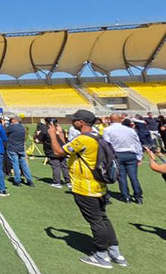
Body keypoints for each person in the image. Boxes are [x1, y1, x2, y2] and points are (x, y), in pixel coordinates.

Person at [48, 109, 126, 268]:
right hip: (98, 185)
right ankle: (115, 251)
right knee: (103, 218)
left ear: (81, 122)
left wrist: (51, 135)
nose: (72, 122)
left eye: (74, 120)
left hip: (85, 186)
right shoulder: (96, 136)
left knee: (95, 220)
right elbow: (71, 150)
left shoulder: (83, 139)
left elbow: (58, 152)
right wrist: (61, 137)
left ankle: (101, 254)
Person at [102, 114, 143, 204]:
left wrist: (108, 158)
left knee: (121, 177)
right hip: (131, 154)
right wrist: (139, 156)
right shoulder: (130, 130)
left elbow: (107, 145)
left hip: (117, 154)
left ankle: (126, 196)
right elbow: (137, 143)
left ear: (110, 120)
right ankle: (138, 197)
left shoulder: (107, 130)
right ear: (120, 120)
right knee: (134, 177)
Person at [35, 119, 72, 189]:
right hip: (62, 150)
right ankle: (68, 182)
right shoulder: (60, 129)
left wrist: (37, 135)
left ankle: (57, 182)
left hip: (52, 151)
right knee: (64, 167)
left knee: (56, 167)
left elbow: (38, 140)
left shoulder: (46, 130)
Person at [5, 117, 34, 187]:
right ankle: (30, 180)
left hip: (12, 148)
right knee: (24, 165)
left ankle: (17, 180)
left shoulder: (12, 127)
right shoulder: (22, 127)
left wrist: (5, 124)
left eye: (11, 121)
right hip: (21, 148)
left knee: (15, 164)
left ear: (15, 121)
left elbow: (4, 132)